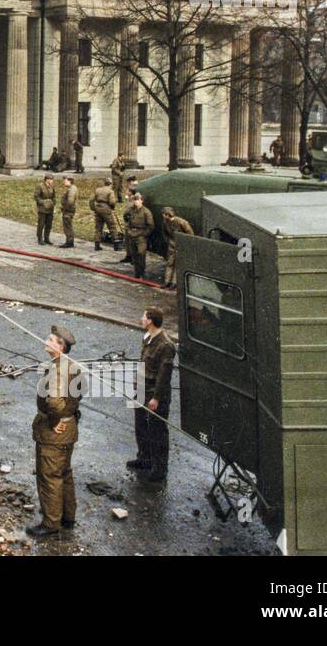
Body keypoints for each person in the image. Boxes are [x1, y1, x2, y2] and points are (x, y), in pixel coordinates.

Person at [27, 327, 81, 537]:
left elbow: (55, 404)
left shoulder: (57, 370)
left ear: (60, 346)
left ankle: (51, 522)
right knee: (64, 473)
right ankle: (68, 516)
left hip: (55, 433)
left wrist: (54, 421)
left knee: (49, 476)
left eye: (51, 339)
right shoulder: (71, 366)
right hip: (69, 429)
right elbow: (78, 394)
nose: (46, 340)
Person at [130, 309, 176, 484]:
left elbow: (164, 376)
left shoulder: (166, 345)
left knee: (157, 432)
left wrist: (156, 398)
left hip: (155, 394)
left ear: (149, 320)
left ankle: (159, 469)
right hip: (141, 389)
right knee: (140, 426)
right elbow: (144, 361)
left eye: (143, 316)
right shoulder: (147, 337)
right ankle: (144, 459)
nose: (141, 319)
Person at [161, 206, 195, 289]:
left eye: (164, 214)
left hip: (181, 245)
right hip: (172, 245)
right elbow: (164, 233)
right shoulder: (165, 222)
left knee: (178, 265)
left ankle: (175, 283)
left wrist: (184, 244)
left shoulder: (182, 222)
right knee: (170, 263)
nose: (163, 216)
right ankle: (167, 282)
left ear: (167, 215)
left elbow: (190, 234)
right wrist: (169, 241)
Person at [124, 193, 155, 280]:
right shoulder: (131, 210)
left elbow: (151, 226)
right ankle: (137, 272)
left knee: (141, 253)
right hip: (131, 234)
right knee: (134, 254)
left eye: (138, 200)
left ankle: (142, 271)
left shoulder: (146, 212)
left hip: (141, 236)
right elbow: (126, 218)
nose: (136, 202)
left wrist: (144, 234)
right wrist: (128, 230)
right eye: (135, 200)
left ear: (142, 201)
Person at [91, 179, 120, 251]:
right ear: (110, 184)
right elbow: (112, 202)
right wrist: (112, 207)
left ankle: (97, 245)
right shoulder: (110, 191)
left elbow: (91, 200)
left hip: (98, 208)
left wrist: (93, 208)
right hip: (106, 209)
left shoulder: (97, 190)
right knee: (112, 226)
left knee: (98, 227)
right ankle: (116, 245)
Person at [34, 174, 56, 245]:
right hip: (42, 209)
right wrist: (43, 202)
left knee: (49, 224)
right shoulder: (40, 186)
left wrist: (53, 203)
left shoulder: (52, 187)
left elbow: (54, 196)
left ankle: (47, 238)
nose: (52, 181)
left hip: (50, 209)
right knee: (41, 224)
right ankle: (40, 238)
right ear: (47, 180)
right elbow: (36, 197)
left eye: (52, 179)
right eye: (51, 179)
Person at [59, 176, 77, 248]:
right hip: (69, 210)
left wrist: (64, 208)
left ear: (70, 181)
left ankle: (69, 242)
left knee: (67, 226)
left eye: (65, 181)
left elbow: (70, 202)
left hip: (68, 211)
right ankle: (69, 241)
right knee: (68, 225)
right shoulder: (71, 188)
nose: (64, 182)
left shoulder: (72, 190)